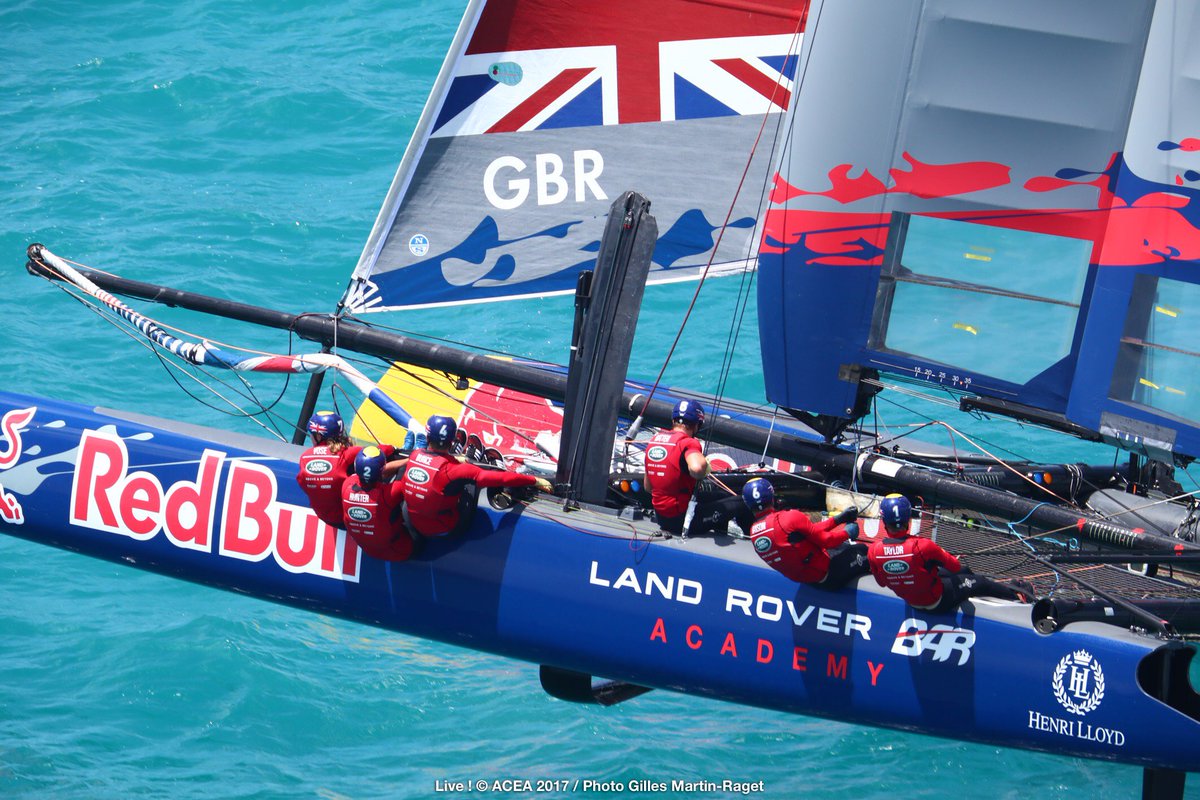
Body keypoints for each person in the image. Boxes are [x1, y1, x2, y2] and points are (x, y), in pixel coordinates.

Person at [867, 494, 1033, 612]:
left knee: (965, 573)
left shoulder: (873, 550)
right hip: (936, 601)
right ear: (908, 520)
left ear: (884, 522)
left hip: (911, 600)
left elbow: (882, 583)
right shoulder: (923, 546)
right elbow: (954, 566)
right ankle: (1017, 595)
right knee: (978, 581)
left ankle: (1006, 590)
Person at [401, 415, 551, 538]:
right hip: (446, 527)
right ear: (451, 441)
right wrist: (535, 480)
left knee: (454, 477)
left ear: (427, 438)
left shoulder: (414, 455)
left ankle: (460, 456)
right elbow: (500, 478)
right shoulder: (454, 471)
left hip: (416, 522)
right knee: (469, 481)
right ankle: (479, 461)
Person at [743, 477, 867, 589]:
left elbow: (808, 532)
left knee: (842, 547)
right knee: (864, 550)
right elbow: (827, 541)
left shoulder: (754, 533)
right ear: (772, 496)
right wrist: (848, 533)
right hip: (831, 574)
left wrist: (837, 520)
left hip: (810, 581)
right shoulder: (789, 517)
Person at [644, 399, 710, 536]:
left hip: (661, 517)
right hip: (682, 519)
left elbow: (648, 487)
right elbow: (697, 469)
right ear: (697, 425)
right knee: (738, 503)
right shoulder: (688, 442)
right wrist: (704, 468)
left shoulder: (655, 440)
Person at [340, 446, 417, 562]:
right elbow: (405, 469)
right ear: (382, 471)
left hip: (368, 549)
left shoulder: (346, 485)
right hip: (399, 550)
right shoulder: (390, 493)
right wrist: (410, 459)